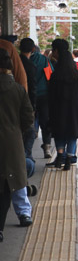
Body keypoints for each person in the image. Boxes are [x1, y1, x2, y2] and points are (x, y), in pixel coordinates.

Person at [0, 47, 34, 242]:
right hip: (12, 140)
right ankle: (24, 214)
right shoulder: (18, 89)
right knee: (17, 177)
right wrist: (16, 130)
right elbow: (28, 116)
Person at [46, 39, 78, 170]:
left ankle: (59, 157)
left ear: (57, 51)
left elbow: (50, 93)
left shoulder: (55, 75)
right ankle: (69, 159)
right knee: (72, 134)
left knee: (59, 133)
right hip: (74, 109)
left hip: (58, 109)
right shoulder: (76, 74)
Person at [22, 40, 53, 159]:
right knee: (45, 122)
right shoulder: (44, 60)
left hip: (27, 96)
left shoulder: (20, 60)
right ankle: (47, 147)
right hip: (43, 95)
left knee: (28, 123)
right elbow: (50, 76)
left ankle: (27, 152)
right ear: (34, 49)